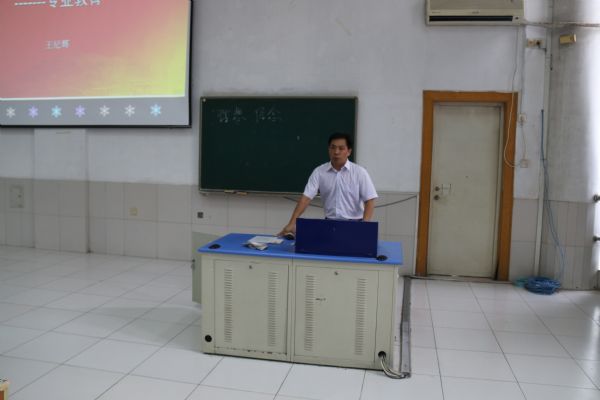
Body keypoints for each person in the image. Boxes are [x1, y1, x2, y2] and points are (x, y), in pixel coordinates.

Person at [279, 132, 377, 236]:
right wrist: (292, 223)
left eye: (341, 148)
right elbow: (306, 198)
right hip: (329, 224)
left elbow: (369, 201)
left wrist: (363, 228)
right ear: (328, 150)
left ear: (349, 151)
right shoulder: (319, 172)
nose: (336, 152)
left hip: (354, 224)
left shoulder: (359, 172)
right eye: (333, 147)